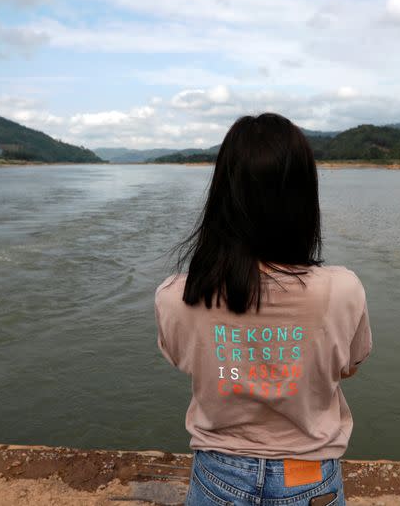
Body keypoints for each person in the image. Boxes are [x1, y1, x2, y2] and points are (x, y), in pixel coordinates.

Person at [154, 112, 372, 506]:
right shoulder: (343, 290)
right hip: (309, 477)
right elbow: (349, 367)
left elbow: (186, 360)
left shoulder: (177, 295)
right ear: (304, 198)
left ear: (222, 194)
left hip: (218, 474)